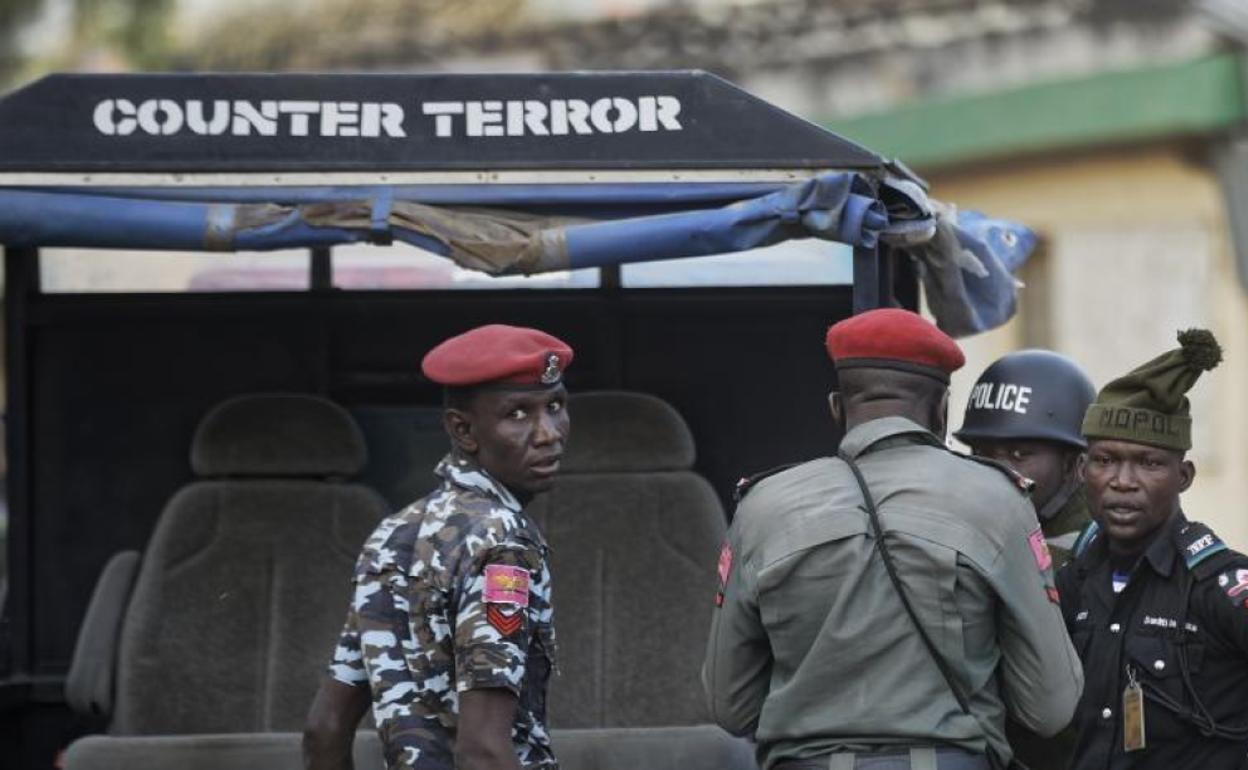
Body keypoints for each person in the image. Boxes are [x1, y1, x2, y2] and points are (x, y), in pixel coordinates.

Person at [703, 308, 1083, 770]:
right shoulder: (997, 500)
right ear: (942, 410)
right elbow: (1049, 708)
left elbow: (730, 705)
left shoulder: (762, 505)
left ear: (837, 408)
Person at [303, 324, 572, 770]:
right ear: (463, 430)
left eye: (556, 406)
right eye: (519, 414)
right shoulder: (502, 542)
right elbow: (482, 750)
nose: (549, 433)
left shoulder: (393, 534)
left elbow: (324, 730)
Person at [1057, 328, 1248, 769]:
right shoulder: (1072, 581)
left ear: (1183, 476)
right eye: (1106, 461)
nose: (1123, 481)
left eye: (1149, 463)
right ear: (1083, 470)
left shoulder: (1218, 586)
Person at [955, 349, 1096, 566]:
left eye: (1018, 455)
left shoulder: (1100, 552)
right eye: (982, 453)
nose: (996, 472)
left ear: (1073, 465)